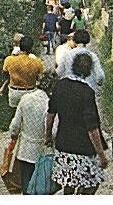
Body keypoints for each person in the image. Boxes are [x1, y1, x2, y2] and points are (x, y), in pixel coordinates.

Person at [46, 52, 108, 194]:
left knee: (68, 183)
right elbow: (92, 127)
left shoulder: (60, 86)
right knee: (91, 183)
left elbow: (50, 114)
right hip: (83, 148)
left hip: (63, 144)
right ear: (89, 71)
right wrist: (101, 154)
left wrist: (48, 135)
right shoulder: (87, 92)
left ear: (72, 66)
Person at [8, 73, 54, 194]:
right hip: (42, 152)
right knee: (40, 186)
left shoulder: (25, 99)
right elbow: (53, 131)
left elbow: (15, 125)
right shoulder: (50, 104)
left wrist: (13, 135)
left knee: (26, 184)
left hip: (24, 150)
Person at [1, 36, 45, 107]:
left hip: (15, 91)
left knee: (15, 114)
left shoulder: (9, 60)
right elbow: (40, 78)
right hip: (30, 92)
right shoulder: (37, 62)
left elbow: (5, 73)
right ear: (31, 48)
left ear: (19, 46)